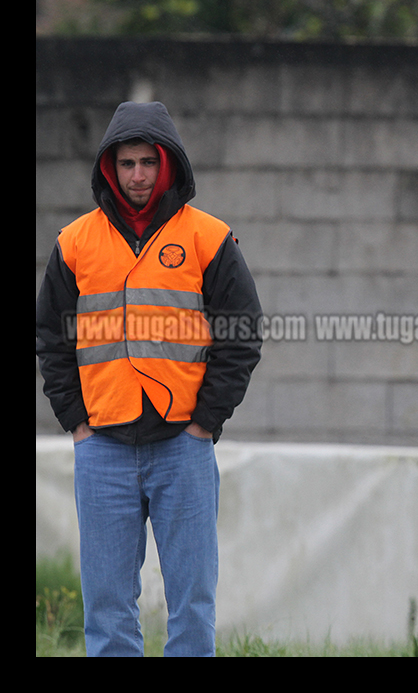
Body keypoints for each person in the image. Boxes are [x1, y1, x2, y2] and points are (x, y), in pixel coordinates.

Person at [36, 101, 262, 656]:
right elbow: (51, 337)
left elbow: (242, 334)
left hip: (182, 446)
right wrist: (76, 423)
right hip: (102, 448)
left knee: (192, 605)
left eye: (147, 163)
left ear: (168, 166)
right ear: (109, 169)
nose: (137, 175)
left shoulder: (209, 238)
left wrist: (206, 423)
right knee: (108, 609)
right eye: (127, 164)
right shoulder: (75, 242)